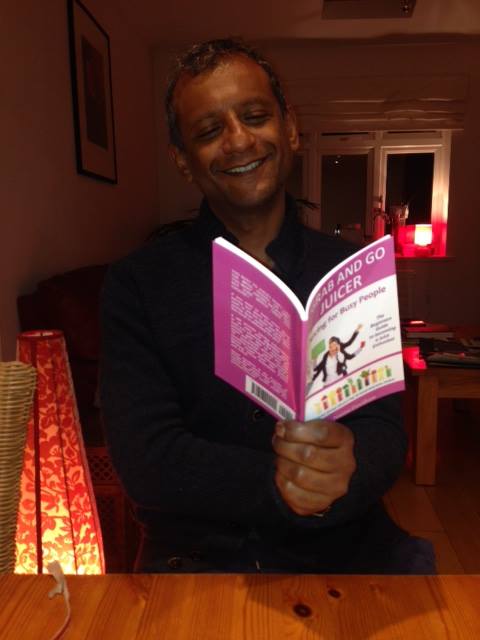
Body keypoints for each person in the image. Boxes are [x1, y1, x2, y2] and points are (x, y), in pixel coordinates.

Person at [100, 38, 435, 574]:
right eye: (209, 131)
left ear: (290, 128)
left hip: (345, 546)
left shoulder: (356, 272)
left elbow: (385, 431)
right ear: (183, 160)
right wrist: (280, 483)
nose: (238, 141)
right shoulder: (138, 283)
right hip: (198, 559)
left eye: (255, 116)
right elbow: (146, 459)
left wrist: (348, 465)